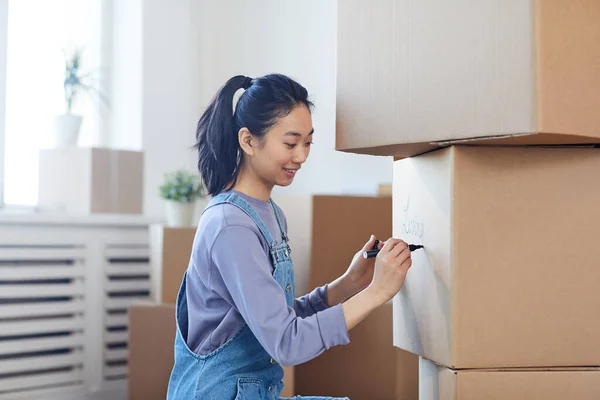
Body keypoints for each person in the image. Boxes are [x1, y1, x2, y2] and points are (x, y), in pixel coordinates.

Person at [166, 74, 413, 400]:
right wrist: (377, 292)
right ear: (248, 141)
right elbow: (287, 342)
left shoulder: (269, 213)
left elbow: (274, 316)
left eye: (308, 143)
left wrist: (349, 284)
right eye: (290, 143)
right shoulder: (230, 226)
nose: (302, 156)